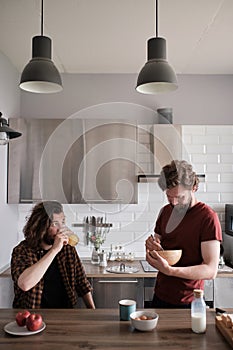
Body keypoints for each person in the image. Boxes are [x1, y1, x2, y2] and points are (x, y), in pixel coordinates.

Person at [145, 160, 222, 308]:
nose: (173, 203)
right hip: (160, 296)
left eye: (179, 197)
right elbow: (157, 250)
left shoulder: (207, 217)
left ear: (194, 187)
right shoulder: (165, 212)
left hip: (190, 301)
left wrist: (171, 271)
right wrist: (151, 248)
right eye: (169, 196)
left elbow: (211, 270)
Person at [11, 201, 95, 309]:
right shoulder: (22, 250)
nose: (61, 229)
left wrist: (92, 310)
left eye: (63, 222)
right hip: (32, 314)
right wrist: (54, 250)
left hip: (66, 313)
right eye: (55, 224)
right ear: (40, 226)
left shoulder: (67, 249)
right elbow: (25, 284)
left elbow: (82, 283)